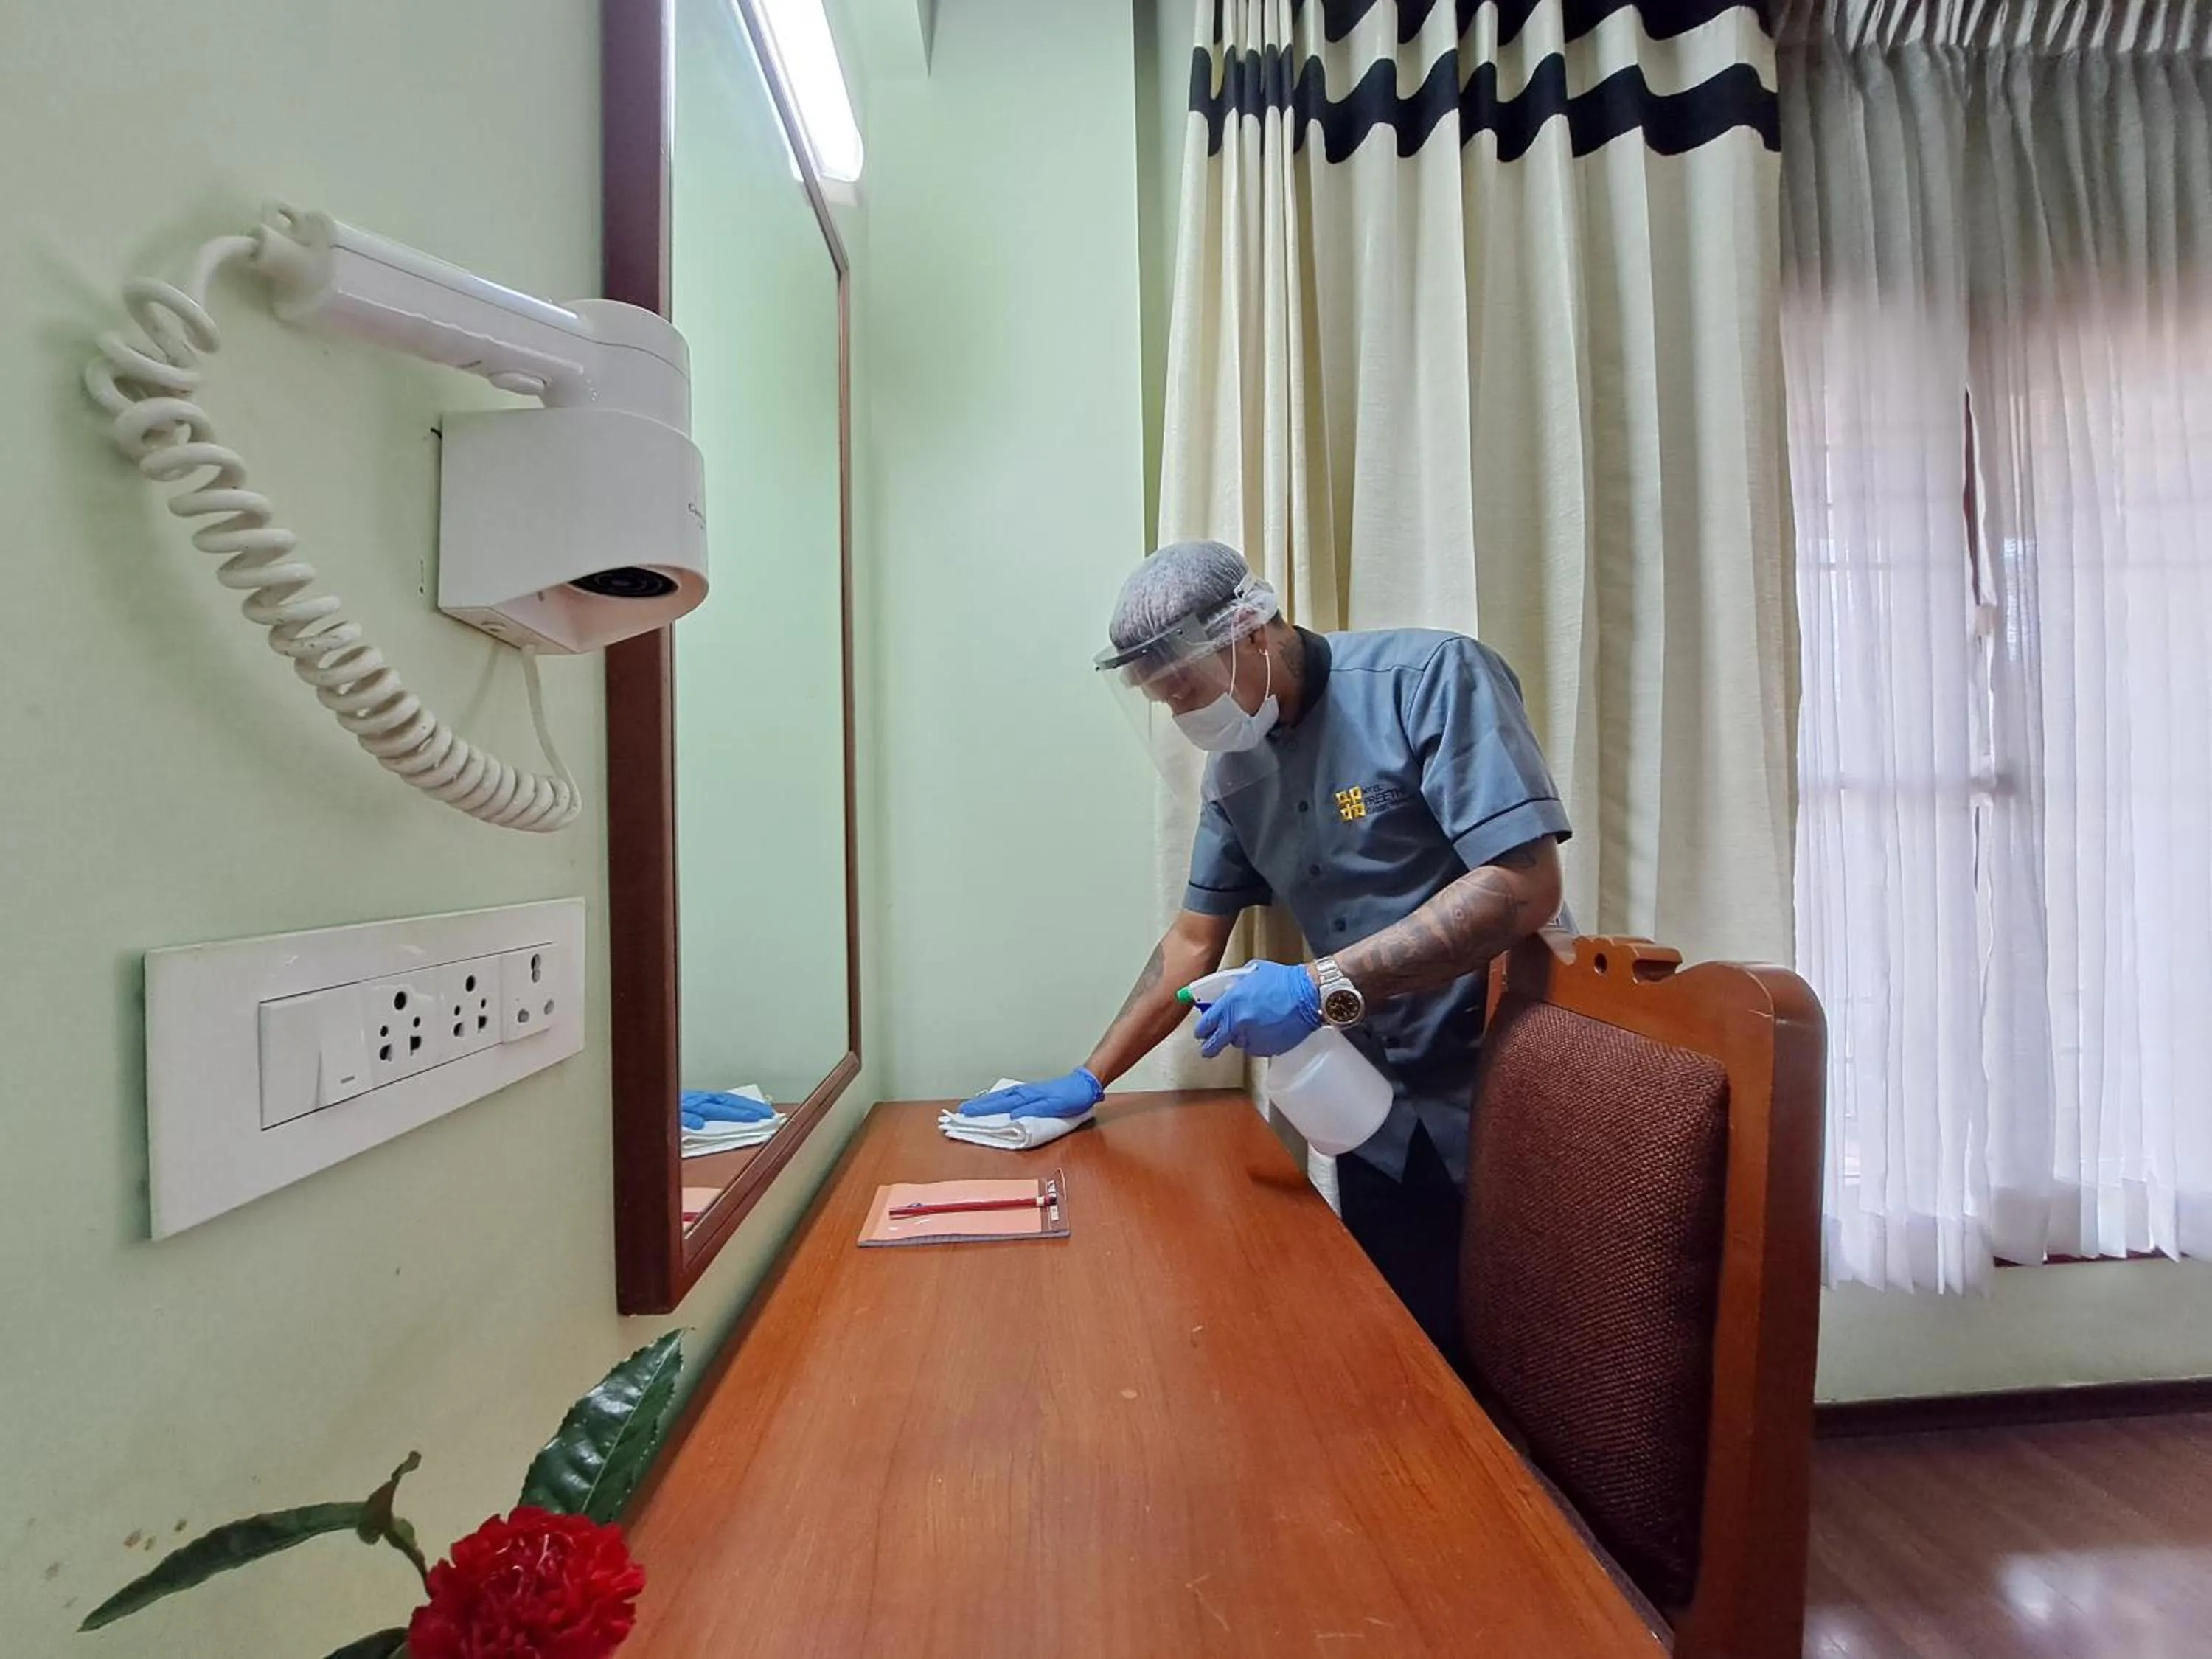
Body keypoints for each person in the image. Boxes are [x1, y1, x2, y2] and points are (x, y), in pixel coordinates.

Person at [959, 540, 1568, 1374]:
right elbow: (1191, 941)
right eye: (1163, 699)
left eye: (1186, 686)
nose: (1182, 715)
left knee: (1535, 1364)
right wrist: (1089, 1078)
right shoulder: (1236, 772)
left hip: (1503, 1090)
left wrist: (1320, 985)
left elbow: (1522, 883)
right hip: (1373, 1113)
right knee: (1406, 1361)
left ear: (1253, 631)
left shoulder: (1428, 680)